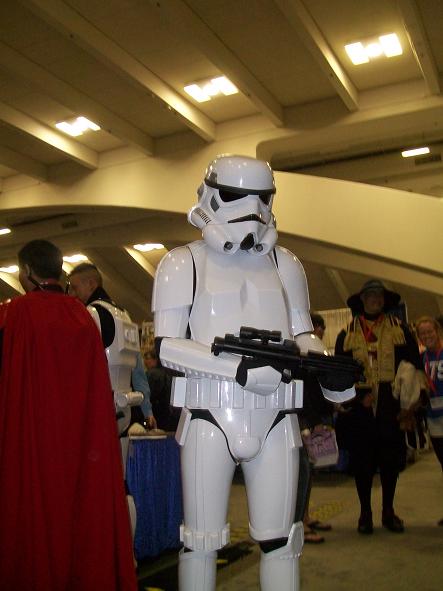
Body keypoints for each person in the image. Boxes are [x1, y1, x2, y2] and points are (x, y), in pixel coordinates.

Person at [152, 155, 356, 591]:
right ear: (209, 194)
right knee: (201, 542)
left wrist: (325, 365)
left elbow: (302, 332)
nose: (252, 211)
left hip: (277, 417)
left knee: (282, 542)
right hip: (210, 413)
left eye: (262, 199)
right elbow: (166, 346)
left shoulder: (286, 265)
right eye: (236, 197)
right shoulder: (180, 263)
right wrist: (238, 369)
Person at [0, 240, 137, 591]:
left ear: (26, 272)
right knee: (82, 513)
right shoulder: (82, 316)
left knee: (35, 517)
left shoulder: (15, 313)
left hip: (32, 437)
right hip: (81, 441)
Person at [335, 279, 423, 535]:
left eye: (379, 295)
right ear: (362, 300)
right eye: (370, 295)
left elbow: (413, 365)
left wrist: (410, 403)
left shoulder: (400, 329)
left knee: (390, 461)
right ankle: (365, 513)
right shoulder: (347, 333)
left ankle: (388, 510)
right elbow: (341, 373)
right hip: (361, 407)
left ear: (384, 300)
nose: (375, 299)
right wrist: (357, 396)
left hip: (390, 404)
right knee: (362, 462)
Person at [67, 262, 156, 430]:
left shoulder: (89, 314)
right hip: (125, 409)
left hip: (97, 408)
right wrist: (147, 410)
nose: (71, 293)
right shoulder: (124, 314)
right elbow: (138, 370)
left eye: (74, 287)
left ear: (91, 284)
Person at [299, 313, 335, 544]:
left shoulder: (316, 351)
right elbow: (304, 391)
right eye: (316, 326)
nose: (319, 331)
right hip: (303, 419)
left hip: (314, 417)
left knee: (310, 470)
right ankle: (299, 522)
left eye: (321, 327)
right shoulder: (301, 351)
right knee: (302, 471)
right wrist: (311, 421)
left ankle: (306, 516)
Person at [415, 317, 443, 470]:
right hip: (433, 418)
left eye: (430, 332)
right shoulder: (421, 359)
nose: (427, 336)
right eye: (422, 334)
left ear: (437, 331)